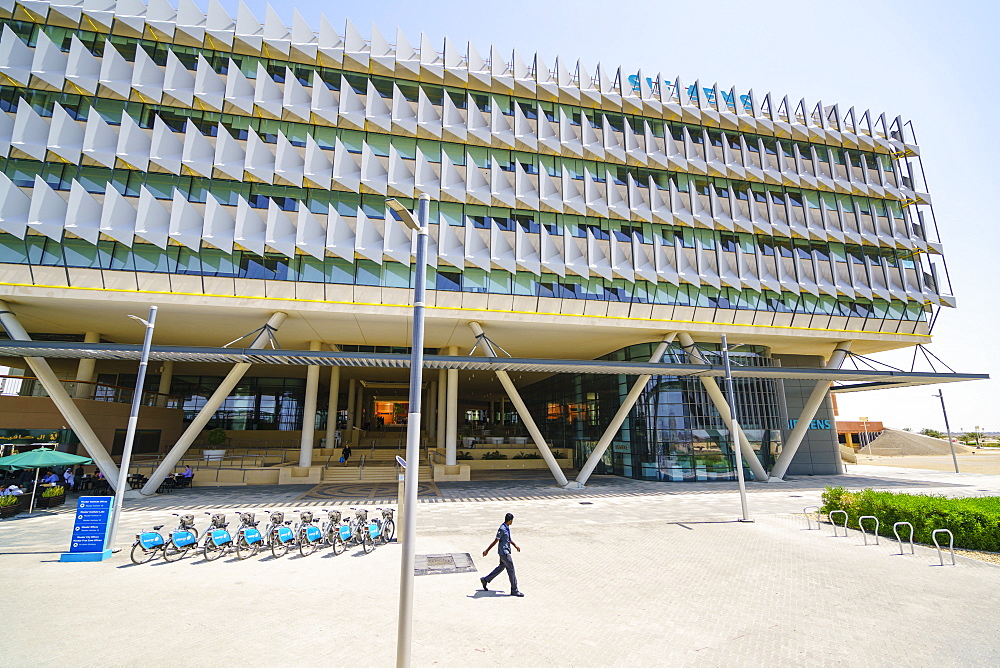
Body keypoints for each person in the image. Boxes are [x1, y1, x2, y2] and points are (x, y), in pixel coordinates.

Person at [480, 512, 523, 597]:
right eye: (512, 520)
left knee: (501, 567)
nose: (512, 522)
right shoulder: (502, 529)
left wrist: (515, 546)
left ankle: (485, 579)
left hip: (505, 551)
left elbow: (509, 539)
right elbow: (496, 541)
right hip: (504, 553)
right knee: (511, 569)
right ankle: (514, 590)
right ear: (510, 520)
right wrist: (487, 550)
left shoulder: (506, 528)